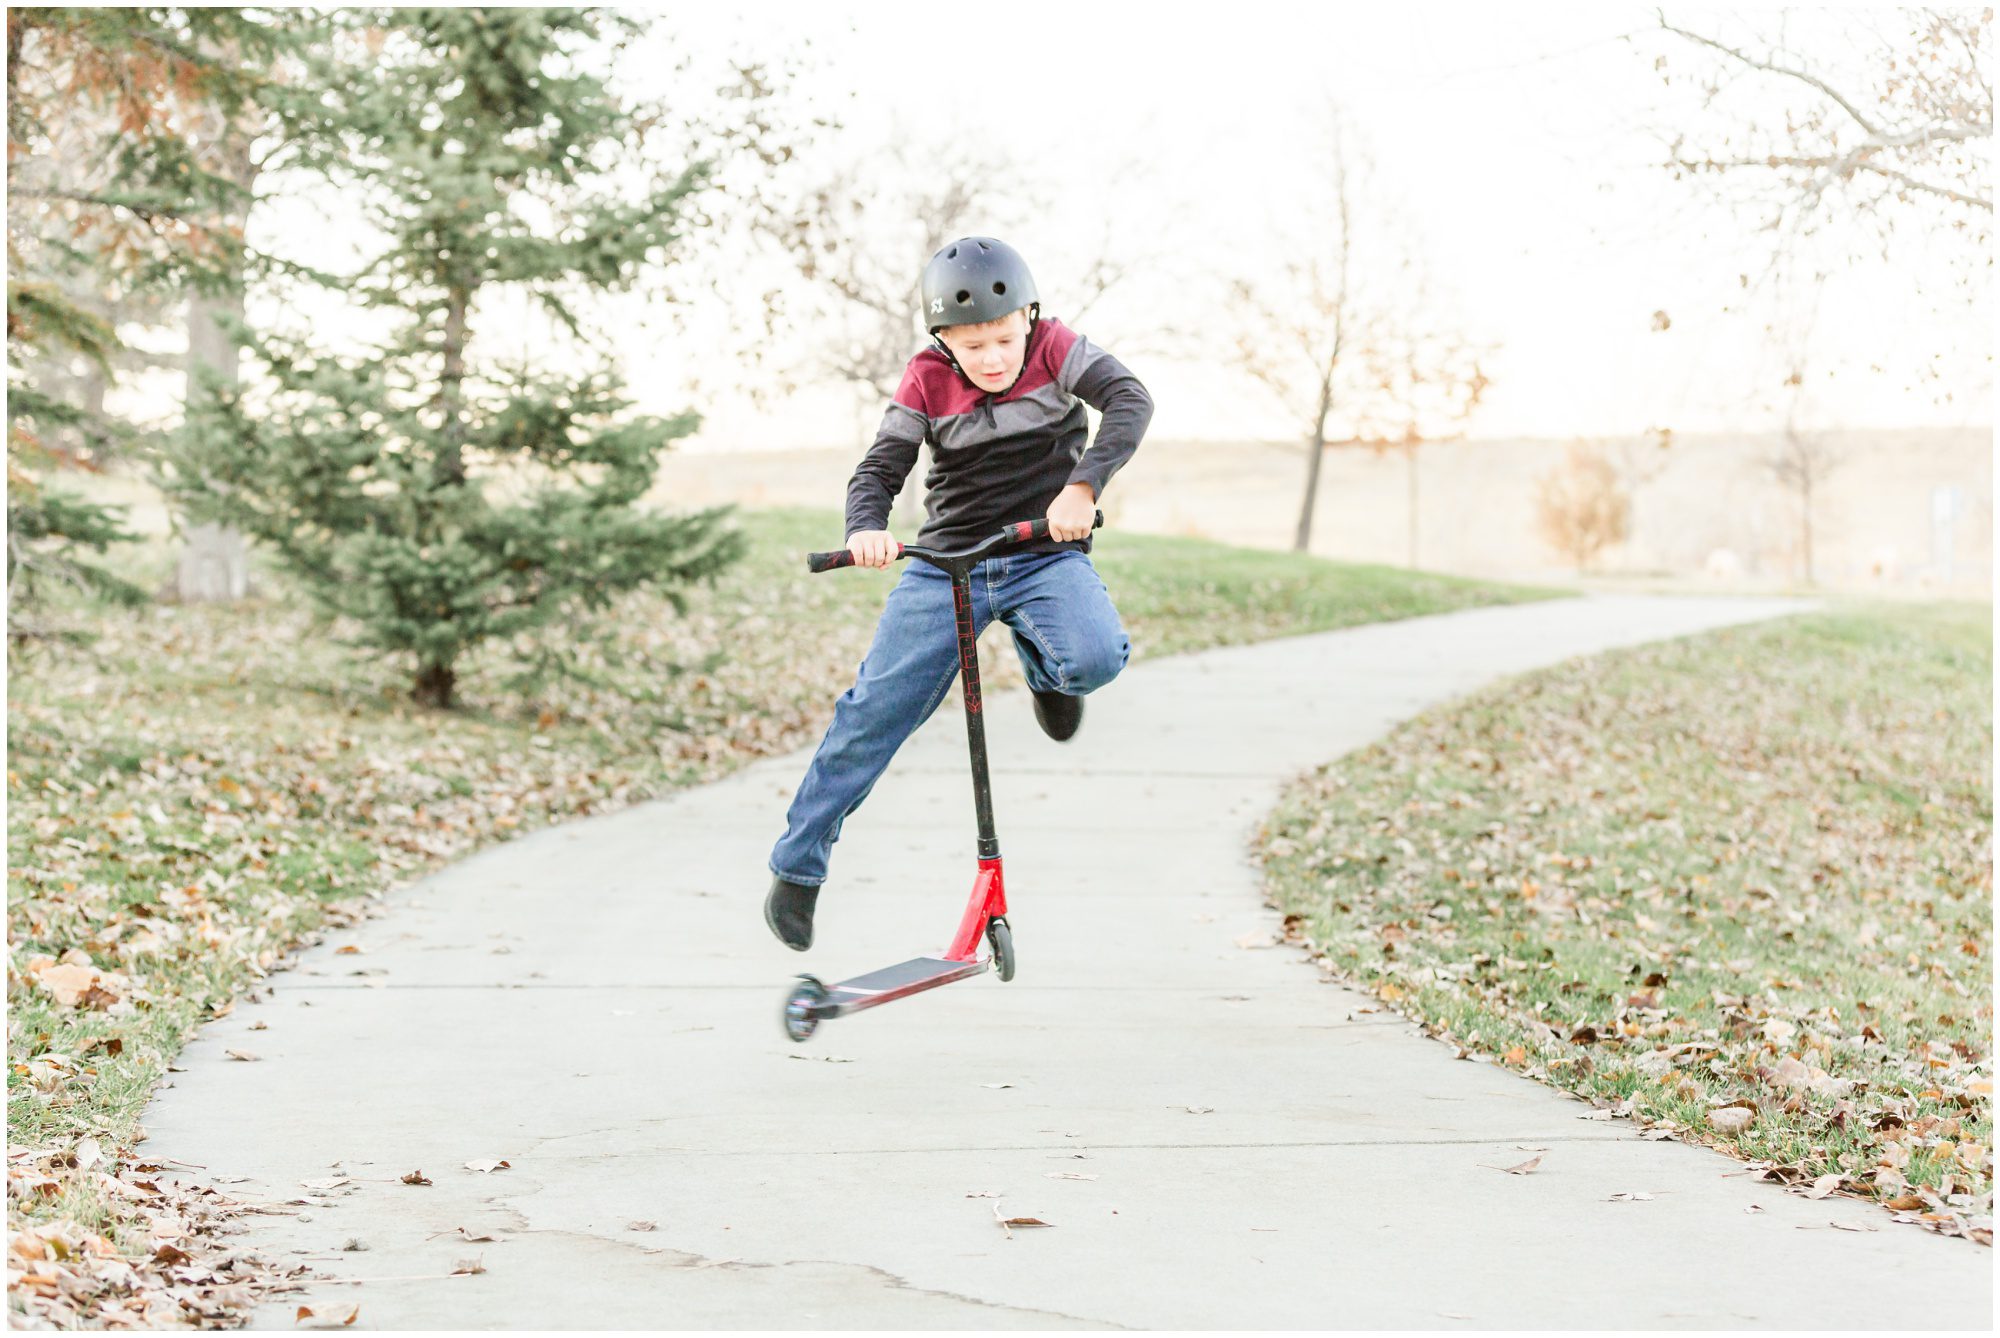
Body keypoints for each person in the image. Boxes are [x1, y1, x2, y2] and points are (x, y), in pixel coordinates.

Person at [764, 235, 1155, 951]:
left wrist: (1084, 484)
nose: (993, 358)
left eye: (1004, 339)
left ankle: (1048, 676)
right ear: (943, 342)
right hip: (947, 562)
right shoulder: (923, 380)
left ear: (1030, 318)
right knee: (872, 712)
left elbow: (1129, 399)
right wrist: (867, 528)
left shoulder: (1056, 348)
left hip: (1043, 550)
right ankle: (796, 870)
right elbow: (880, 467)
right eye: (971, 346)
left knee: (1093, 658)